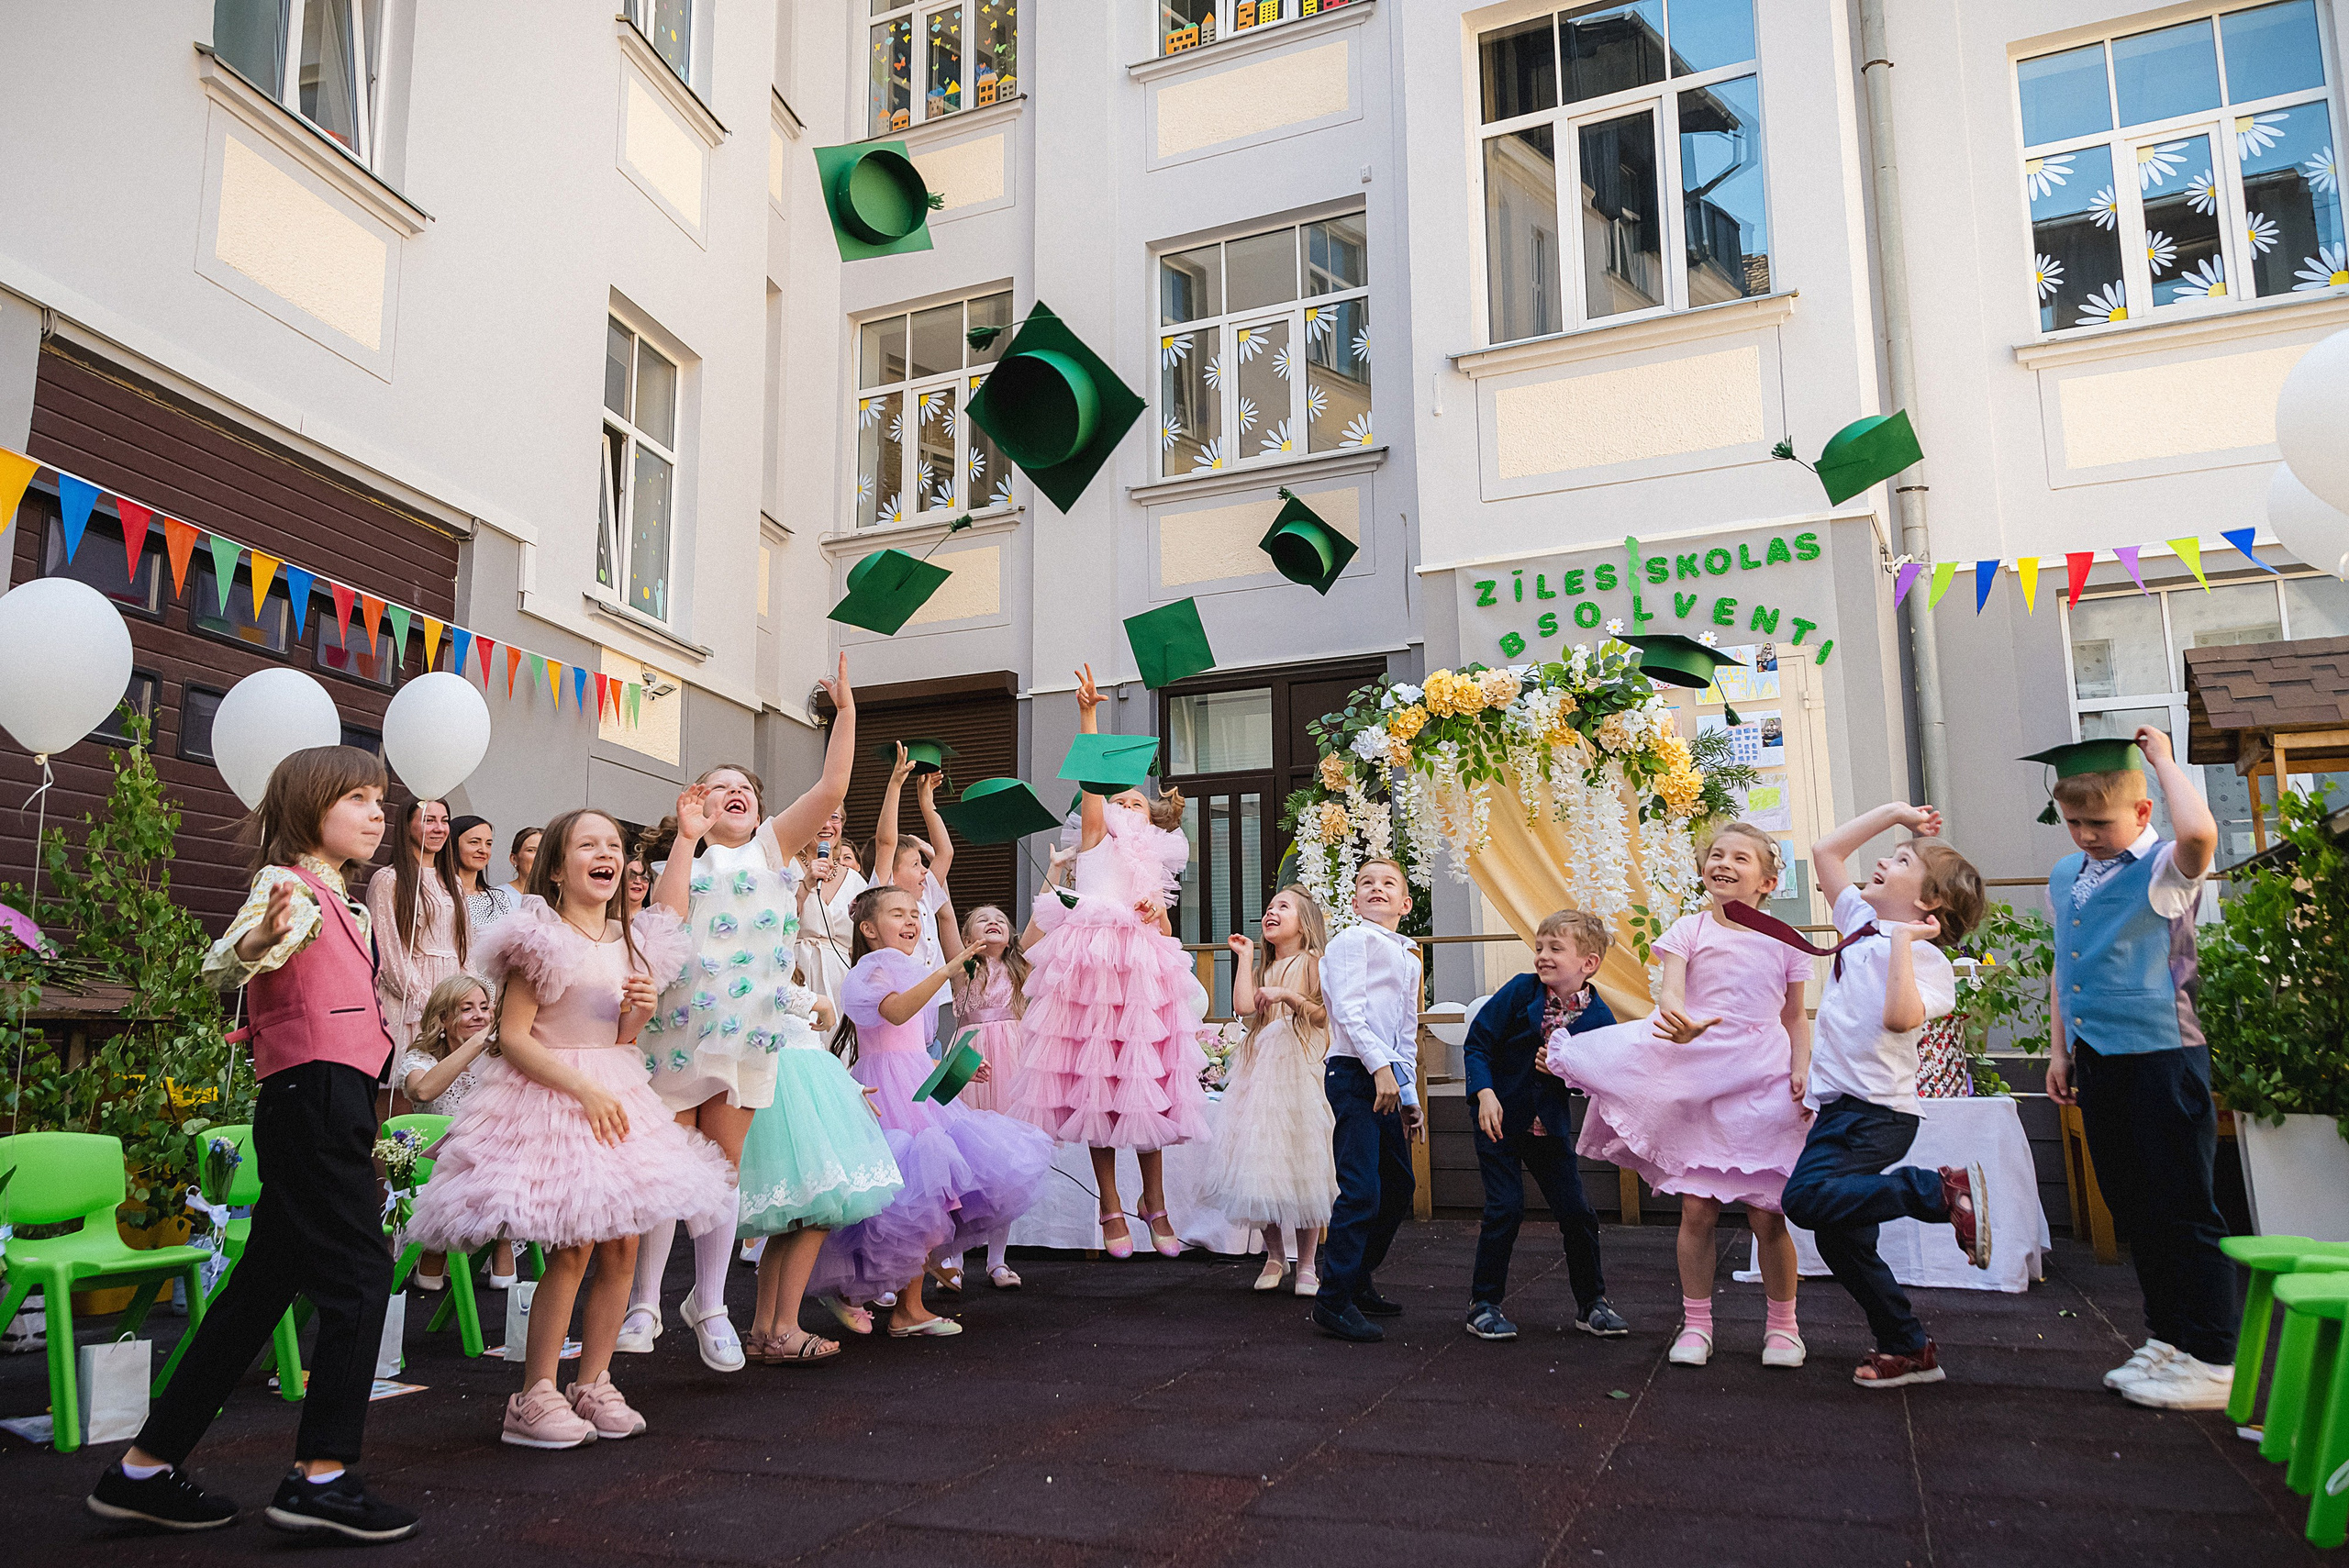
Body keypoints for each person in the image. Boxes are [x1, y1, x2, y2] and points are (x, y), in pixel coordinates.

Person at [87, 746, 417, 1541]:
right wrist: (257, 938)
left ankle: (144, 1466)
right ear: (310, 808)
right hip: (312, 1096)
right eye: (360, 799)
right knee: (361, 1273)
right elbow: (225, 960)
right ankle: (323, 1476)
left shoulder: (346, 900)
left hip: (325, 1098)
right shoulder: (289, 888)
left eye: (382, 800)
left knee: (262, 1285)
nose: (380, 813)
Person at [405, 808, 734, 1449]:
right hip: (557, 1098)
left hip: (617, 1094)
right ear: (557, 867)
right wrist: (581, 1086)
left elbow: (631, 1008)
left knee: (623, 1246)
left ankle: (594, 1379)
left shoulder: (629, 940)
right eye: (589, 844)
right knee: (574, 1247)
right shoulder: (541, 937)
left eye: (613, 845)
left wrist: (635, 1017)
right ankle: (534, 1394)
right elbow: (513, 1036)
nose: (606, 853)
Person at [625, 653, 859, 1372]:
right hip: (677, 1032)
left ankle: (711, 1302)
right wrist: (686, 835)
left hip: (746, 1035)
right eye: (717, 788)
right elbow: (664, 923)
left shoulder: (771, 847)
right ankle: (643, 1302)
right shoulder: (685, 860)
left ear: (760, 811)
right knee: (669, 1170)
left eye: (744, 790)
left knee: (721, 1176)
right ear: (695, 803)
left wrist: (846, 713)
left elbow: (831, 786)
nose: (733, 794)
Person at [1549, 823, 1813, 1370]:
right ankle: (1697, 1324)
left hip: (1764, 1079)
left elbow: (1793, 1015)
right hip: (1699, 1075)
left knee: (1768, 1214)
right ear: (1702, 870)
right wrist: (1682, 1023)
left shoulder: (1785, 941)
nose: (1725, 863)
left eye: (1741, 857)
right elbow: (1670, 997)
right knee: (1698, 1209)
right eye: (1716, 855)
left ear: (1767, 880)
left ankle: (1784, 1328)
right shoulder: (1687, 931)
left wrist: (1802, 1067)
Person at [2039, 728, 2232, 1411]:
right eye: (2074, 822)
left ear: (2144, 814)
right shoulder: (2069, 876)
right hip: (2100, 1060)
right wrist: (2061, 1050)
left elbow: (2202, 831)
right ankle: (2169, 1336)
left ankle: (2214, 1355)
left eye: (2101, 821)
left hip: (2162, 1058)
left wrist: (2164, 764)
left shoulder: (2163, 869)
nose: (2086, 834)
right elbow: (2066, 961)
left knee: (2183, 1206)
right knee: (2136, 1205)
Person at [1778, 803, 1987, 1390]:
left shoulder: (1928, 960)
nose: (1882, 860)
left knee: (1806, 1199)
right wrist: (1895, 814)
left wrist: (1902, 942)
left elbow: (1900, 1019)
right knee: (1840, 1241)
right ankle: (1909, 1346)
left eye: (1899, 861)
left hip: (1877, 1114)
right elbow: (1826, 853)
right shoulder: (1859, 922)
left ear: (1929, 905)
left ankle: (1935, 1189)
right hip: (1842, 1110)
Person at [1012, 664, 1208, 1258]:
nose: (1125, 808)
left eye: (1135, 802)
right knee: (1099, 1091)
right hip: (1093, 967)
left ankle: (1156, 1202)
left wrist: (1154, 910)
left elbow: (1169, 929)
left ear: (1149, 815)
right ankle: (1109, 1203)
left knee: (1140, 1088)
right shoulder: (1095, 838)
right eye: (1117, 801)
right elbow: (1094, 782)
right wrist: (1088, 715)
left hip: (1139, 973)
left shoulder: (1157, 861)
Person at [818, 885, 1053, 1335]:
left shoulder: (910, 968)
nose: (911, 921)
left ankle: (907, 1306)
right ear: (867, 928)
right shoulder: (869, 971)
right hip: (886, 1089)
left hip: (912, 1083)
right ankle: (880, 1299)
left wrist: (958, 1069)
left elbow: (916, 1050)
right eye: (897, 914)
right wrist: (947, 970)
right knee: (905, 1195)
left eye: (914, 913)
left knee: (930, 1198)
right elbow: (898, 1015)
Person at [1462, 909, 1629, 1342]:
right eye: (1539, 947)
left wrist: (1566, 1073)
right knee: (1506, 1208)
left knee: (1577, 1213)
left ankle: (1592, 1303)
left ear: (1588, 964)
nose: (1543, 956)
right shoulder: (1521, 992)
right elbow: (1478, 1042)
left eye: (1556, 949)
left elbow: (1601, 1077)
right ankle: (1483, 1304)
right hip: (1497, 1118)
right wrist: (1484, 1093)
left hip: (1547, 1128)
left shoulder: (1598, 1020)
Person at [731, 955, 904, 1363]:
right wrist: (816, 1000)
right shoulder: (757, 969)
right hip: (785, 1099)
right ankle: (783, 1327)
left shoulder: (780, 965)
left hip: (807, 1093)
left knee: (794, 1221)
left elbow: (808, 1044)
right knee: (816, 1213)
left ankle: (765, 1330)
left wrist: (847, 1090)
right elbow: (760, 997)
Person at [1197, 886, 1337, 1298]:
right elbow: (1243, 1006)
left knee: (1303, 1159)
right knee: (1261, 1162)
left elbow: (1321, 1014)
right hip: (1260, 1072)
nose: (1272, 912)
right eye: (1270, 907)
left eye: (1284, 907)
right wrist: (1244, 959)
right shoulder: (1265, 968)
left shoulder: (1312, 962)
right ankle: (1275, 1254)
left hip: (1298, 1071)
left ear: (1305, 922)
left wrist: (1288, 995)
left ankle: (1308, 1262)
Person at [1313, 859, 1424, 1343]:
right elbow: (1350, 1012)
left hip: (1384, 1079)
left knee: (1398, 1186)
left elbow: (1405, 1031)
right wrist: (1379, 1069)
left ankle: (1358, 1276)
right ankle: (1332, 1299)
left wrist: (1408, 1093)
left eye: (1388, 884)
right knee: (1361, 1188)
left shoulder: (1409, 957)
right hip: (1353, 1074)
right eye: (1366, 884)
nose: (1376, 889)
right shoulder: (1351, 941)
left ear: (1406, 903)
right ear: (1355, 900)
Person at [396, 973, 517, 1294]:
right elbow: (422, 1091)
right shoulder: (419, 1060)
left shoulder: (501, 1059)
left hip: (490, 1170)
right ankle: (436, 1248)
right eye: (467, 1009)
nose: (480, 1015)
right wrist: (478, 1042)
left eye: (485, 1007)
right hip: (433, 1174)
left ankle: (501, 1242)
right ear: (443, 1019)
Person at [939, 903, 1035, 1289]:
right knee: (960, 1156)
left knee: (1005, 1158)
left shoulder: (1019, 965)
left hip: (1012, 1058)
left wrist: (1057, 868)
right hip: (969, 1057)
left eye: (1000, 919)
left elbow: (1041, 916)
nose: (993, 922)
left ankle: (997, 1259)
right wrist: (934, 875)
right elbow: (945, 914)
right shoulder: (963, 967)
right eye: (982, 919)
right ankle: (954, 1259)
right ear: (967, 938)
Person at [872, 746, 961, 1048]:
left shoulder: (924, 900)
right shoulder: (881, 897)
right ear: (893, 875)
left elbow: (945, 852)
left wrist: (927, 803)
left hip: (930, 1021)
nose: (925, 871)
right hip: (897, 1016)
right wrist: (895, 783)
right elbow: (886, 842)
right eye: (916, 865)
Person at [365, 798, 466, 1049]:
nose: (439, 828)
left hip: (451, 993)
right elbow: (388, 952)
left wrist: (466, 996)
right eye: (428, 820)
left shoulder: (454, 883)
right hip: (409, 998)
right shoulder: (389, 879)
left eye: (444, 821)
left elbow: (466, 946)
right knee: (408, 1077)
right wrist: (425, 1001)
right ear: (406, 826)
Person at [794, 818, 866, 1004]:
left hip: (842, 980)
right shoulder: (785, 866)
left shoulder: (855, 880)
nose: (826, 824)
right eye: (820, 815)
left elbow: (863, 943)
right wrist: (806, 885)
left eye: (834, 817)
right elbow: (774, 923)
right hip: (796, 974)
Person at [470, 827, 535, 930]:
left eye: (544, 850)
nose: (539, 856)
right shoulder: (498, 897)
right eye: (531, 850)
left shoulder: (561, 897)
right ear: (514, 859)